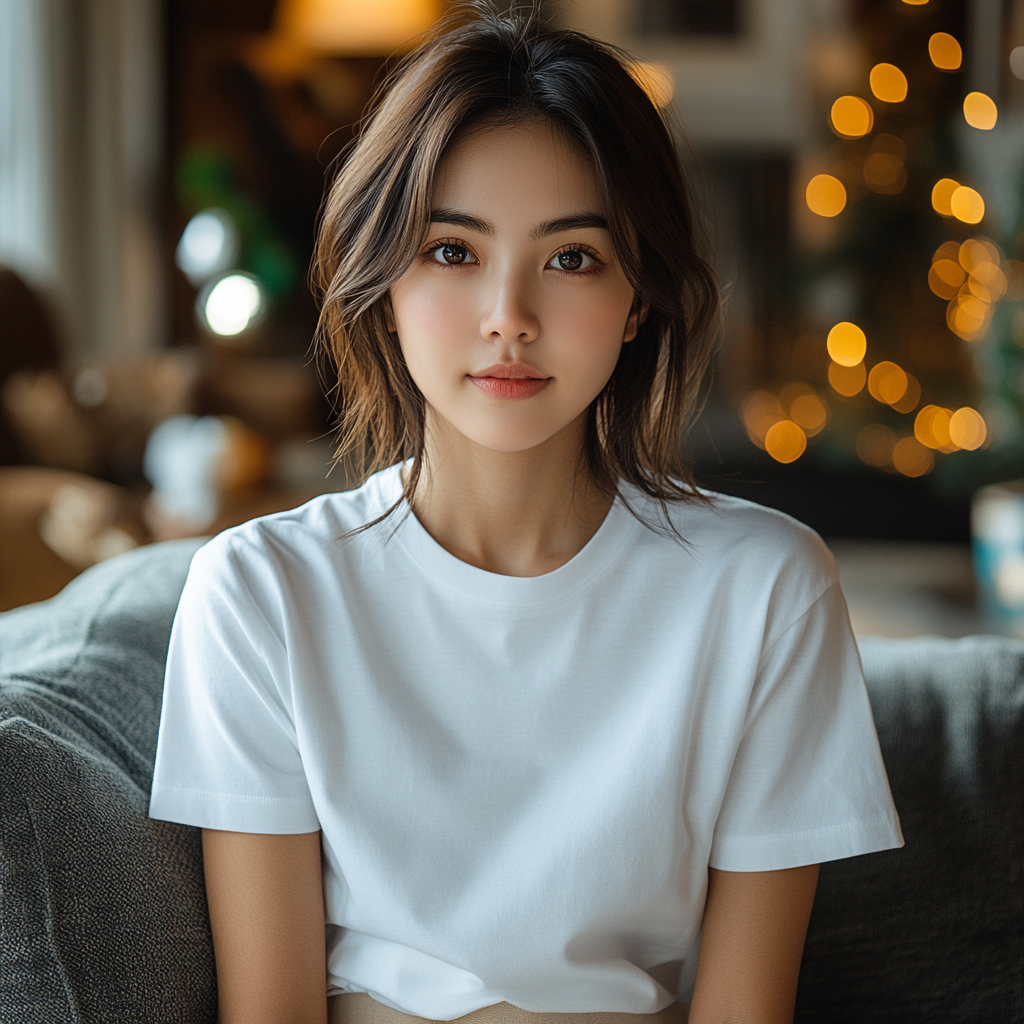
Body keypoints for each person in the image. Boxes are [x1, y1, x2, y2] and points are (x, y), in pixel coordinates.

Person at [149, 8, 903, 1024]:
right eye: (453, 252)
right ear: (384, 285)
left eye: (572, 257)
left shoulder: (764, 586)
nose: (509, 315)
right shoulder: (260, 592)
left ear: (638, 299)